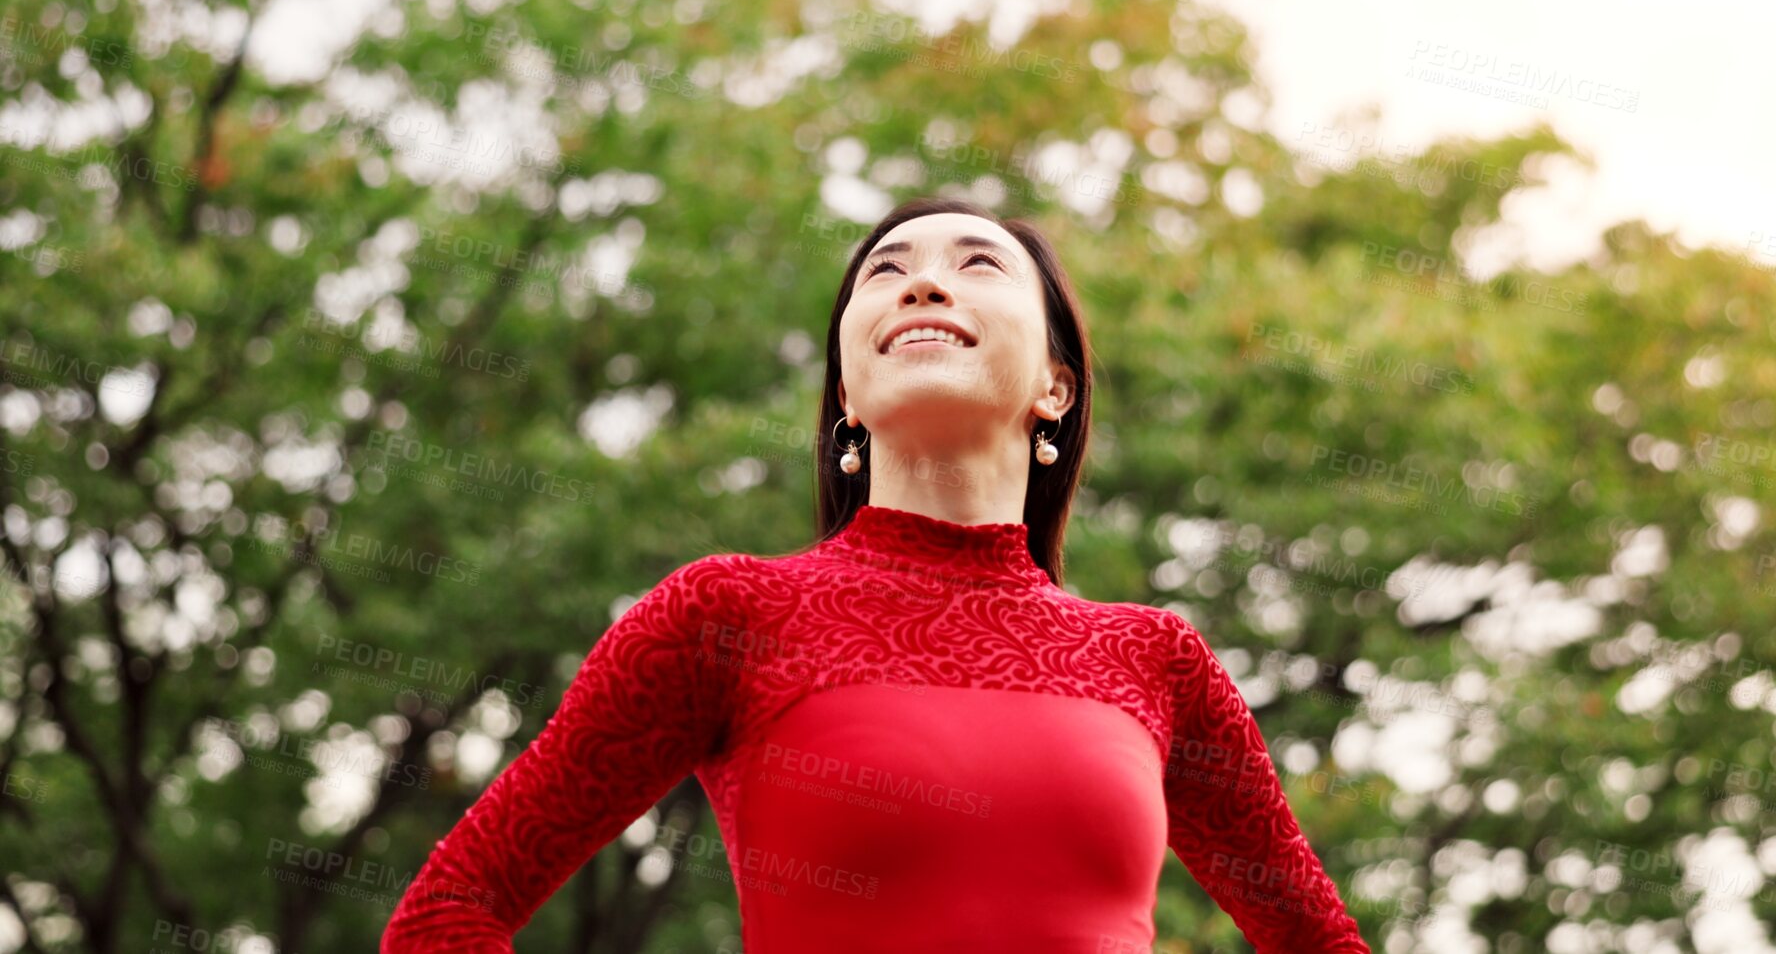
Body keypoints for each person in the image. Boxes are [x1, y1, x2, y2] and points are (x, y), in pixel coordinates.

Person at [381, 196, 1369, 952]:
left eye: (977, 263)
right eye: (885, 272)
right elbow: (447, 911)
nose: (923, 283)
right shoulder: (727, 614)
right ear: (845, 390)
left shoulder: (1154, 657)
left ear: (1054, 386)